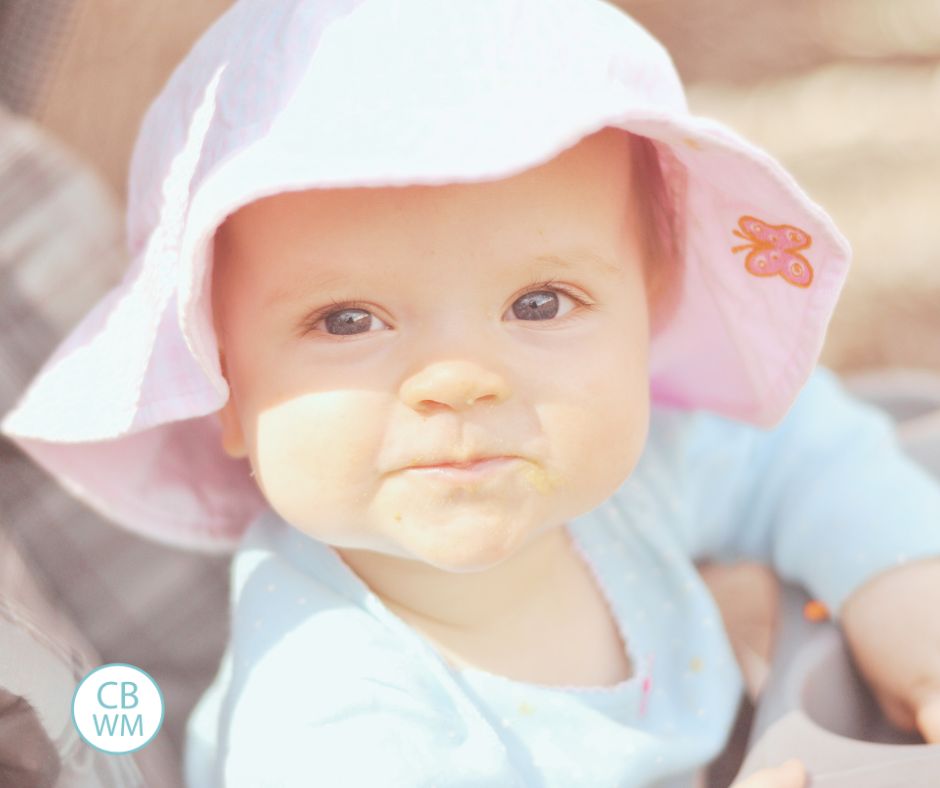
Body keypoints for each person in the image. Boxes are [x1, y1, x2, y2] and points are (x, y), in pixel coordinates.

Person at [3, 1, 940, 786]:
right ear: (225, 391)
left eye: (540, 302)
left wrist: (900, 595)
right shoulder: (334, 721)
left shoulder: (624, 482)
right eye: (346, 321)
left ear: (645, 313)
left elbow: (800, 447)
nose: (460, 382)